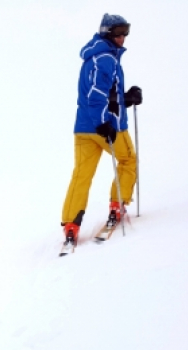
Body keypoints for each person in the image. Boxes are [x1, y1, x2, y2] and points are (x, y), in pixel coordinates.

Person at [61, 13, 143, 243]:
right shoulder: (106, 59)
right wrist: (103, 123)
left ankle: (70, 223)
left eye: (125, 32)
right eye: (118, 33)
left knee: (81, 175)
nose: (122, 37)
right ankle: (117, 205)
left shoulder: (92, 57)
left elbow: (106, 94)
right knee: (128, 161)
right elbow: (96, 95)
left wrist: (127, 98)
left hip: (83, 128)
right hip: (107, 126)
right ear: (107, 33)